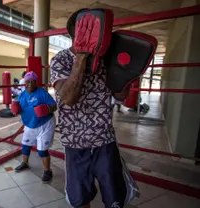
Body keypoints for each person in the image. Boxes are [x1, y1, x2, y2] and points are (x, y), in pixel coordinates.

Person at [49, 10, 138, 208]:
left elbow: (120, 96)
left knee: (114, 199)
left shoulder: (107, 59)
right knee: (81, 200)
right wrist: (81, 57)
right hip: (74, 143)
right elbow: (69, 98)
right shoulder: (60, 60)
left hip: (104, 140)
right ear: (76, 34)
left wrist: (129, 72)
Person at [11, 71, 57, 182]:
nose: (30, 83)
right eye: (28, 81)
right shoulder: (22, 96)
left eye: (33, 81)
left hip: (45, 124)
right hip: (30, 125)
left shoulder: (42, 93)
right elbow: (17, 107)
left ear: (36, 82)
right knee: (26, 144)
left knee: (42, 150)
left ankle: (47, 171)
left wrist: (47, 109)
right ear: (24, 83)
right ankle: (25, 163)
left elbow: (55, 106)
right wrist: (15, 110)